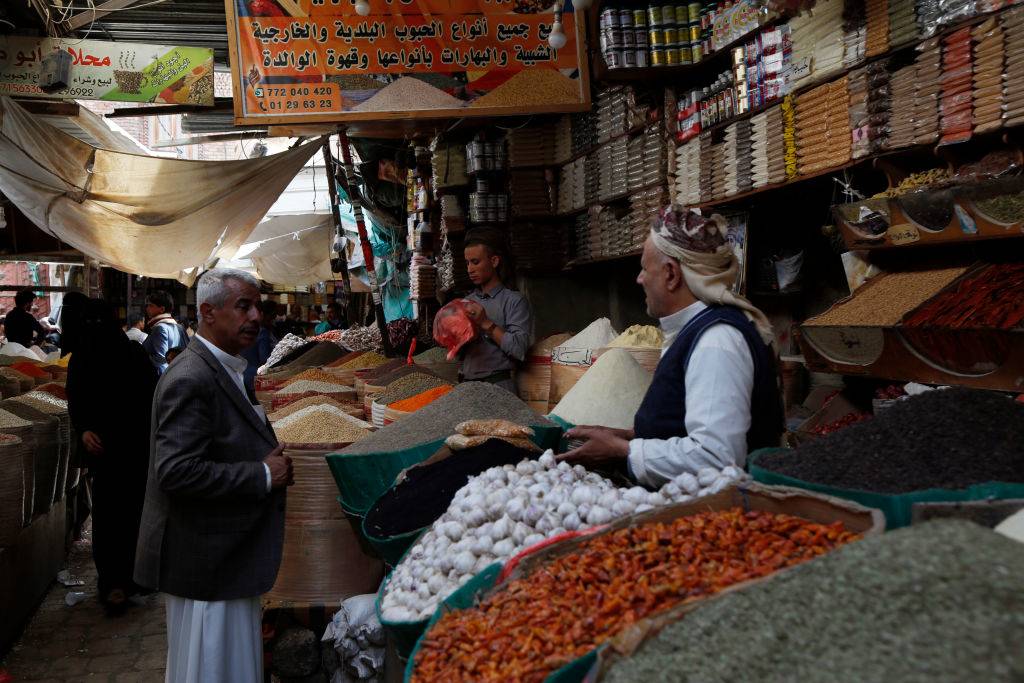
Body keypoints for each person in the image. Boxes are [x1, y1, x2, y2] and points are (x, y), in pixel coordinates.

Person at [134, 268, 292, 683]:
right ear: (208, 312)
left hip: (223, 552)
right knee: (213, 666)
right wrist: (261, 474)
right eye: (243, 306)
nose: (256, 316)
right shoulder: (191, 376)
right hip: (206, 557)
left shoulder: (224, 368)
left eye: (258, 306)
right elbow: (176, 471)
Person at [562, 209, 784, 487]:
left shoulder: (716, 341)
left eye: (644, 268)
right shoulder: (693, 331)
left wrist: (623, 451)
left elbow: (716, 458)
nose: (639, 279)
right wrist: (627, 436)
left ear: (670, 274)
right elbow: (682, 426)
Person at [66, 299, 158, 613]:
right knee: (108, 518)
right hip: (106, 453)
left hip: (133, 451)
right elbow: (76, 400)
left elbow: (151, 399)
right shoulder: (82, 358)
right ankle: (114, 584)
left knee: (130, 516)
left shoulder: (133, 354)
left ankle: (134, 579)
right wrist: (84, 430)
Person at [458, 231, 533, 393]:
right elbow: (458, 352)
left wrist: (485, 323)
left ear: (494, 261)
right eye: (467, 263)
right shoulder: (466, 303)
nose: (470, 269)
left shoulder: (514, 301)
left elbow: (519, 349)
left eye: (475, 262)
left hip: (499, 386)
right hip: (466, 388)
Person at [141, 290, 188, 374]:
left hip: (162, 376)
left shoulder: (159, 328)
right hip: (177, 373)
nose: (147, 308)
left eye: (151, 306)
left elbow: (160, 358)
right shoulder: (179, 327)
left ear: (161, 309)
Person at [241, 299, 280, 393]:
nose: (274, 319)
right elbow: (265, 359)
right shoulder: (262, 332)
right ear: (262, 315)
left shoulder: (246, 330)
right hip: (256, 379)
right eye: (272, 316)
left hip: (242, 376)